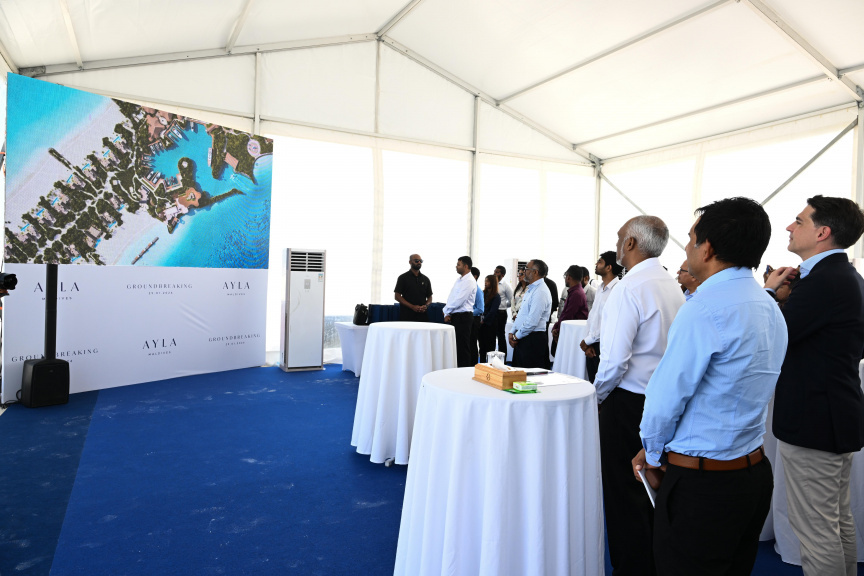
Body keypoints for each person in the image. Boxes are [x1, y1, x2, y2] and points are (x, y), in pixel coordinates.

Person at [632, 197, 787, 576]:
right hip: (751, 473)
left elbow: (664, 401)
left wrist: (653, 454)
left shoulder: (703, 308)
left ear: (708, 248)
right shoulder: (769, 305)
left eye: (691, 238)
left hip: (703, 484)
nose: (686, 247)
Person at [764, 195, 864, 576]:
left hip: (814, 423)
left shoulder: (824, 281)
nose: (790, 227)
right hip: (834, 416)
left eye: (799, 221)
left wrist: (769, 295)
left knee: (817, 531)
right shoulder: (846, 277)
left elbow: (773, 339)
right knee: (836, 521)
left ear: (822, 233)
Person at [594, 216, 685, 576]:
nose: (617, 244)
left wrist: (597, 397)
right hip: (663, 400)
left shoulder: (629, 287)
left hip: (628, 402)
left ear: (631, 243)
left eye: (620, 238)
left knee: (623, 493)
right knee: (652, 491)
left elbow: (615, 360)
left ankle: (632, 568)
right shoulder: (672, 284)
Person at [580, 251, 623, 383]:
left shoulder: (618, 290)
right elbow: (593, 317)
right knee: (592, 382)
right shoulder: (600, 288)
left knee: (603, 385)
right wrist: (588, 342)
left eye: (600, 262)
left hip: (605, 344)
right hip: (593, 343)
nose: (596, 264)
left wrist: (588, 340)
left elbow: (608, 323)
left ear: (609, 267)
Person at [509, 259, 552, 369]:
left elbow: (532, 321)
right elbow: (522, 313)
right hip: (524, 337)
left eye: (527, 269)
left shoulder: (540, 291)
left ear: (535, 272)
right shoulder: (531, 288)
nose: (524, 271)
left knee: (530, 376)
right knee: (518, 373)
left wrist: (516, 336)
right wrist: (512, 331)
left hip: (533, 340)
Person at [443, 256, 477, 368]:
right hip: (456, 316)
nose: (456, 267)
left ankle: (463, 371)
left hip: (464, 317)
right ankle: (456, 369)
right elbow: (452, 296)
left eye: (458, 265)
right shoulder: (459, 280)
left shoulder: (469, 281)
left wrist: (446, 310)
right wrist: (447, 312)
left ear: (466, 266)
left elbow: (459, 300)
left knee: (462, 347)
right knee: (455, 346)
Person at [551, 265, 588, 357]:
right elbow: (565, 314)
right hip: (569, 331)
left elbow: (568, 316)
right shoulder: (575, 291)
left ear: (568, 277)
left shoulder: (577, 293)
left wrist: (557, 330)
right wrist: (556, 327)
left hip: (572, 334)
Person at [394, 254, 433, 321]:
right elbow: (397, 296)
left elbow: (430, 297)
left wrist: (426, 306)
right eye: (416, 261)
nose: (419, 262)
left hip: (422, 315)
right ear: (410, 262)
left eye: (421, 261)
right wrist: (412, 307)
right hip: (407, 315)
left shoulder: (426, 279)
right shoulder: (402, 278)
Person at [479, 274, 501, 362]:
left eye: (487, 281)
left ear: (492, 282)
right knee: (482, 347)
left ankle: (489, 365)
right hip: (482, 324)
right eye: (485, 281)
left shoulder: (496, 296)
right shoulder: (483, 293)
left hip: (490, 324)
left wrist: (484, 320)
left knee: (490, 347)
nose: (485, 283)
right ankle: (482, 364)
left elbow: (492, 311)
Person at [493, 265, 513, 353]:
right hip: (492, 312)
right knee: (491, 335)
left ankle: (503, 356)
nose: (494, 273)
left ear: (502, 275)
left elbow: (512, 301)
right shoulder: (492, 283)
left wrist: (503, 306)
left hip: (501, 313)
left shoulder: (505, 286)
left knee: (500, 335)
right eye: (494, 271)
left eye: (497, 272)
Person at [470, 267, 484, 365]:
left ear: (475, 276)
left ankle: (473, 365)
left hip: (474, 319)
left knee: (472, 343)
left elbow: (480, 309)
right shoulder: (469, 289)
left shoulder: (478, 290)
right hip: (469, 318)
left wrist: (468, 313)